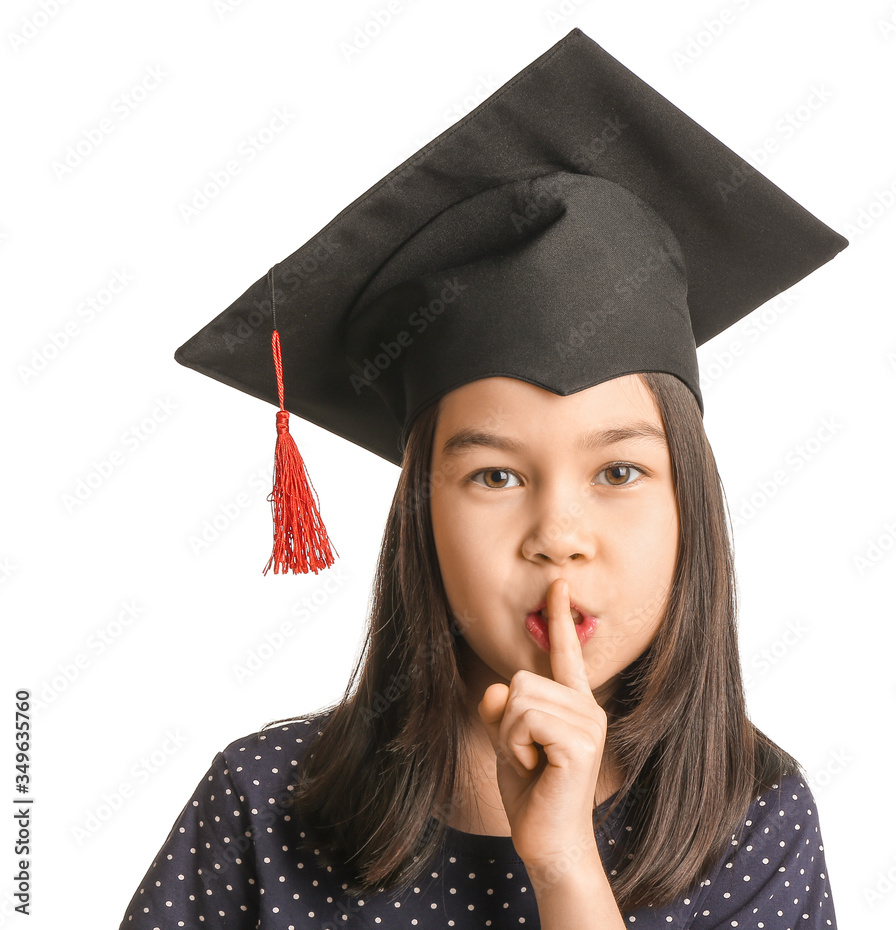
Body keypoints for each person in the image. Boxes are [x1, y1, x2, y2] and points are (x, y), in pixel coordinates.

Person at [119, 28, 846, 929]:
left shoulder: (752, 821)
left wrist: (567, 868)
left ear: (690, 505)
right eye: (496, 476)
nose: (558, 534)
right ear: (420, 514)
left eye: (619, 470)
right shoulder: (265, 803)